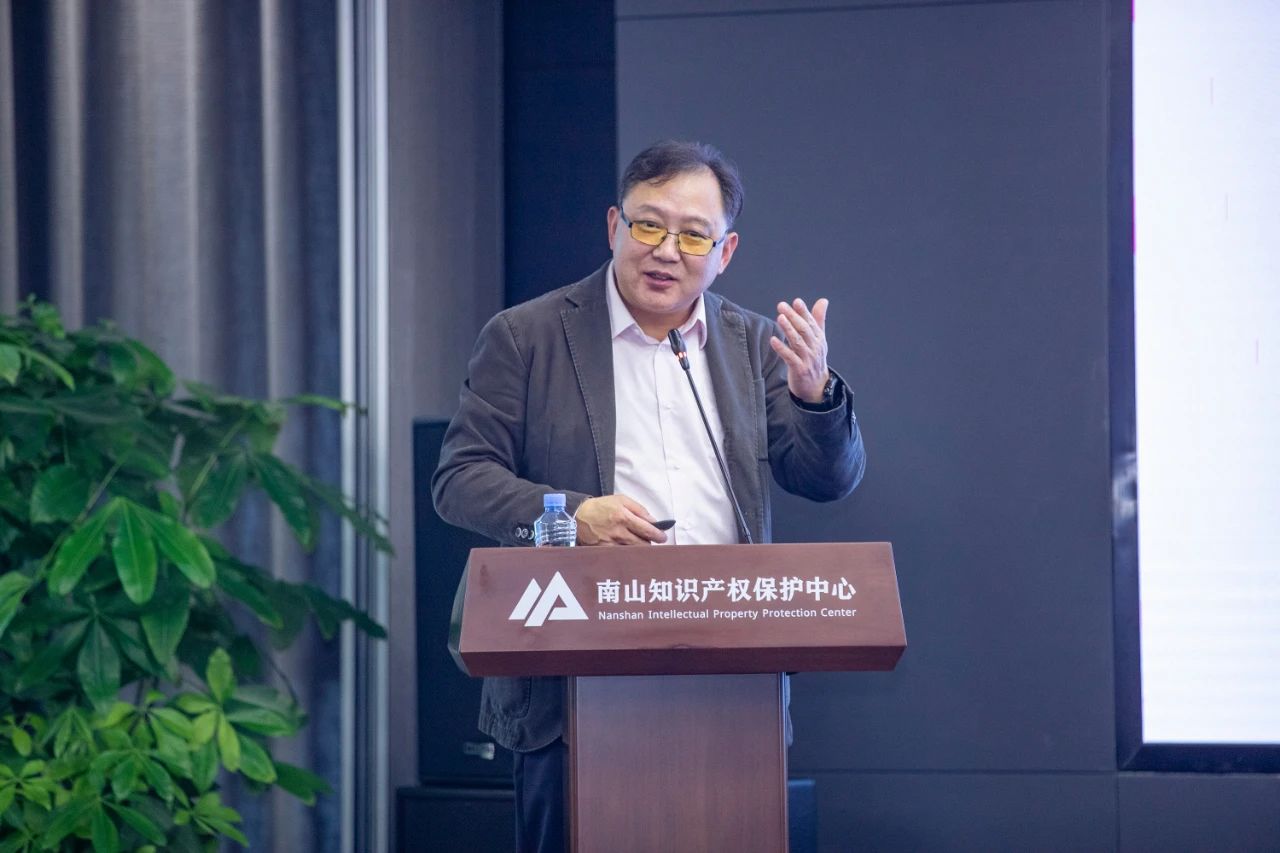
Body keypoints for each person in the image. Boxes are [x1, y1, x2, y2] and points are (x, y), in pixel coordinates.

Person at [432, 140, 865, 853]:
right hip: (571, 685)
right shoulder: (526, 336)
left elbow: (826, 478)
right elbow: (460, 479)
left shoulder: (752, 345)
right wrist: (573, 516)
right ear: (614, 225)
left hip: (733, 684)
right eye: (648, 224)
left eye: (694, 234)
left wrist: (814, 395)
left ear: (725, 252)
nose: (667, 250)